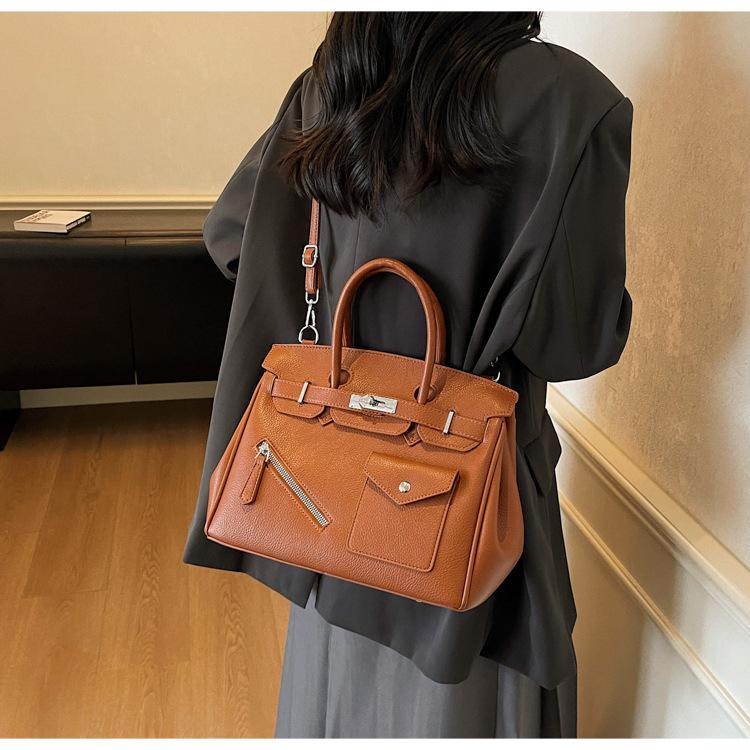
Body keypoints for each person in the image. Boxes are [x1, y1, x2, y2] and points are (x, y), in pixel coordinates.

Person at [183, 11, 633, 739]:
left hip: (326, 489)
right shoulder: (571, 100)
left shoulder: (333, 82)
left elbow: (232, 234)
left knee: (336, 697)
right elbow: (574, 344)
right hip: (463, 498)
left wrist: (344, 318)